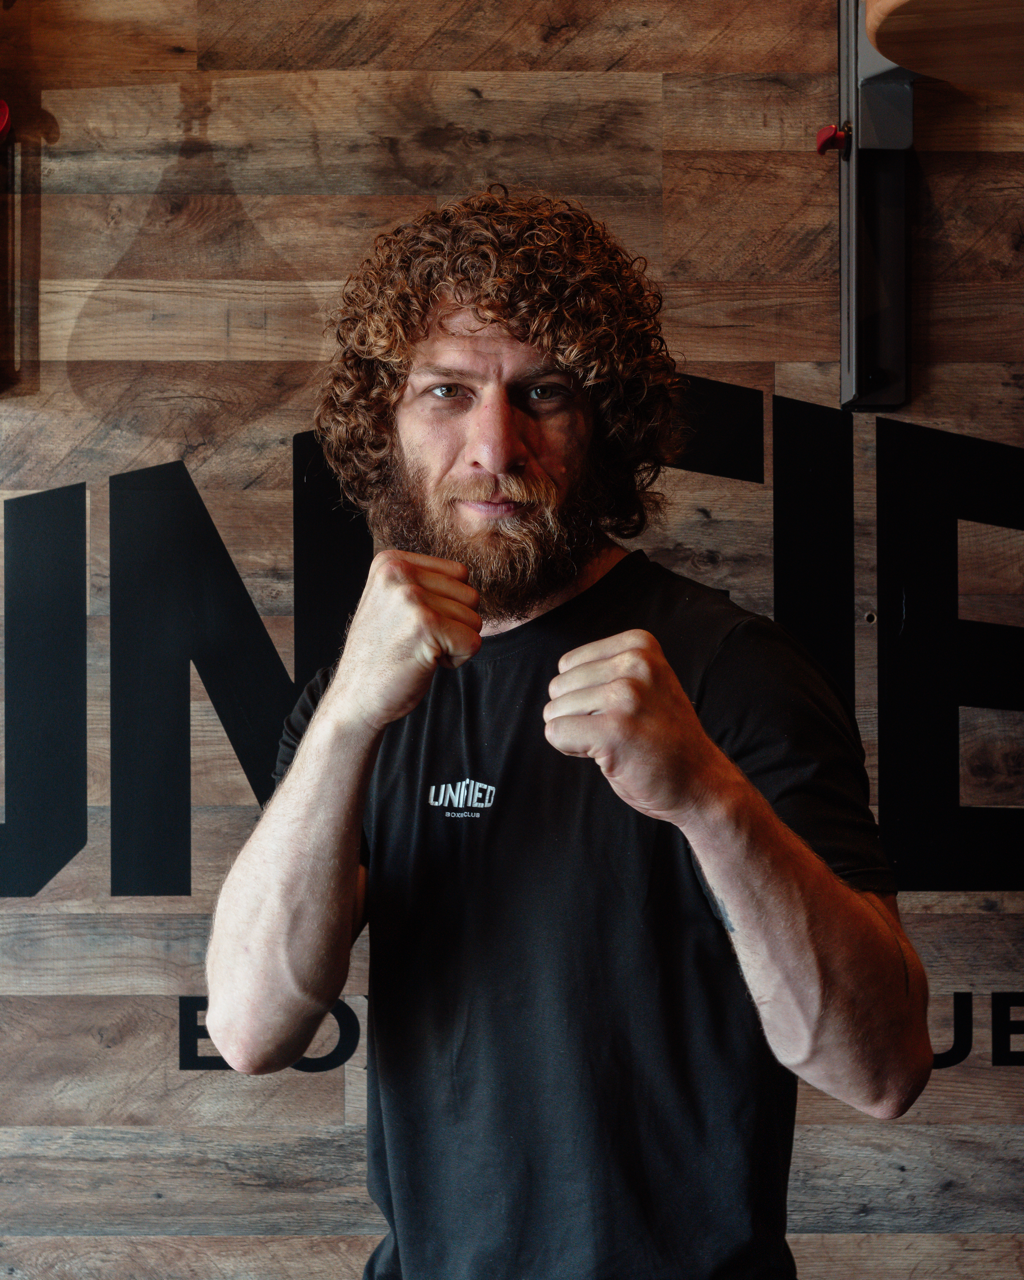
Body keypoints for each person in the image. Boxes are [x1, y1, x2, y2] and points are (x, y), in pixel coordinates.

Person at [205, 189, 932, 1280]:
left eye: (541, 393)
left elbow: (880, 1069)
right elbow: (253, 1028)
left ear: (604, 425)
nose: (493, 444)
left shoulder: (735, 673)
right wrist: (349, 713)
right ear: (383, 422)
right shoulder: (356, 700)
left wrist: (707, 796)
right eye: (447, 391)